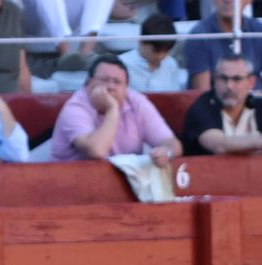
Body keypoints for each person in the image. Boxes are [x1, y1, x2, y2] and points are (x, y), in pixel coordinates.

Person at [50, 53, 180, 166]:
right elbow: (96, 151)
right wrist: (112, 109)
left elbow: (172, 143)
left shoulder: (137, 101)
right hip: (72, 183)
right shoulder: (75, 107)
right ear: (88, 81)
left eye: (117, 82)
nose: (110, 86)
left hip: (127, 182)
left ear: (126, 87)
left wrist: (166, 152)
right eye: (104, 80)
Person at [182, 53, 262, 155]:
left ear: (251, 82)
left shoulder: (258, 106)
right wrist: (256, 141)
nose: (229, 86)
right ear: (215, 79)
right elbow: (218, 144)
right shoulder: (202, 106)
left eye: (237, 79)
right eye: (223, 78)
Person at [184, 0, 262, 93]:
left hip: (255, 103)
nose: (228, 0)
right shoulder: (199, 35)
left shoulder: (258, 31)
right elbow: (202, 96)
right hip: (216, 105)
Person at [122, 14, 183, 93]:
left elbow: (175, 97)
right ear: (142, 41)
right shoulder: (123, 64)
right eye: (156, 51)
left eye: (166, 51)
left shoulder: (171, 64)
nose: (161, 56)